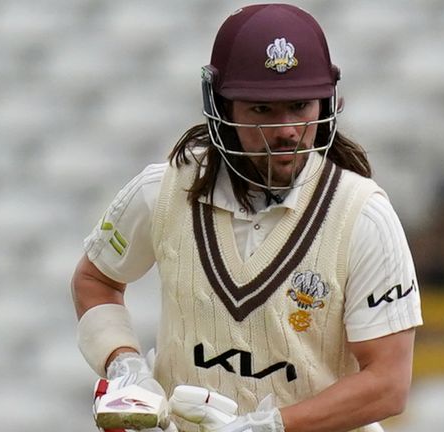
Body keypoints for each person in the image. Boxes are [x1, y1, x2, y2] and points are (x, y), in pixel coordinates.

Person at [71, 4, 423, 432]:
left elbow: (388, 383)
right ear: (223, 107)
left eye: (299, 105)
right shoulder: (162, 191)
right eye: (263, 109)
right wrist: (125, 365)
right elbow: (97, 280)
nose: (288, 130)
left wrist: (267, 427)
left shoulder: (362, 216)